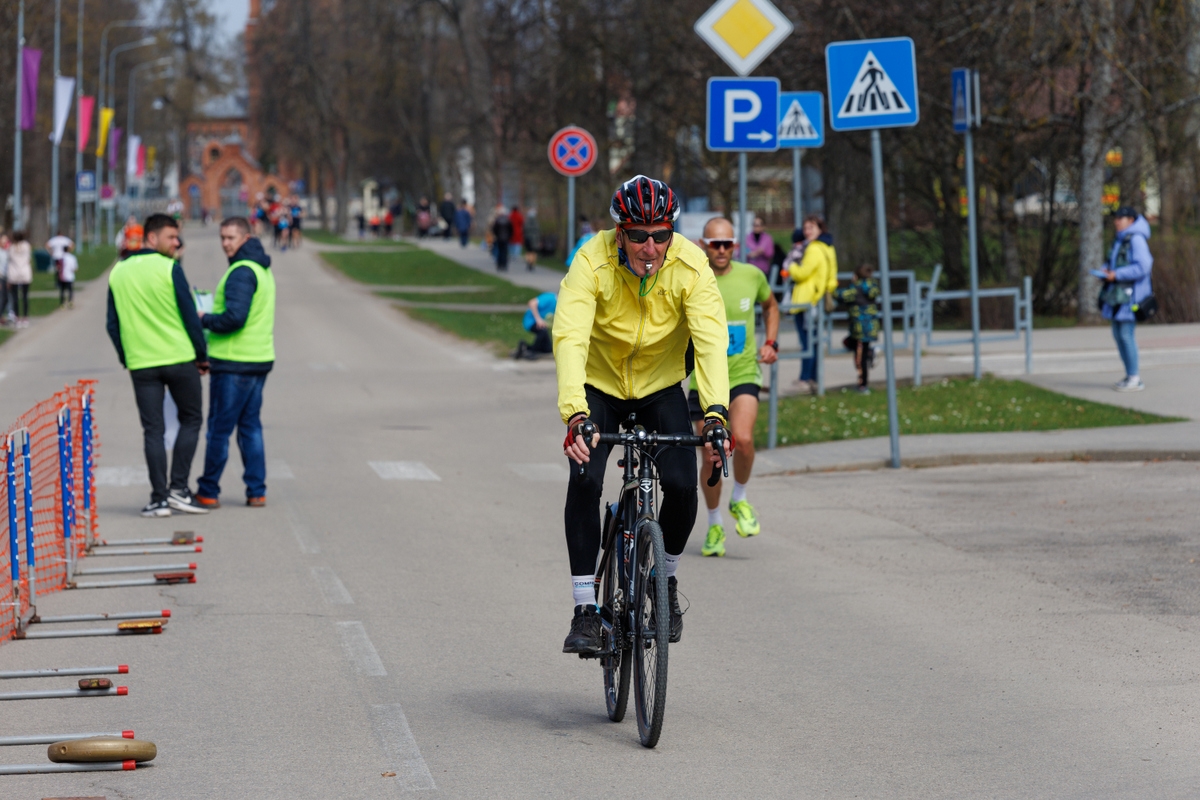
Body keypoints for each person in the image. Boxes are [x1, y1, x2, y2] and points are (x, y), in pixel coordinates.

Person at [556, 175, 732, 654]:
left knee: (680, 484)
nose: (650, 247)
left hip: (660, 387)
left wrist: (716, 413)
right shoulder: (591, 260)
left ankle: (665, 583)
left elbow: (713, 341)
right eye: (638, 235)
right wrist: (575, 413)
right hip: (600, 386)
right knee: (587, 478)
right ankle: (585, 610)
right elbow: (570, 336)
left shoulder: (692, 265)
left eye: (660, 234)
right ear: (620, 233)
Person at [105, 213, 209, 517]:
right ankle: (179, 489)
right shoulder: (170, 268)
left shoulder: (118, 272)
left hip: (142, 364)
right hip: (179, 358)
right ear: (152, 238)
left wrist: (127, 357)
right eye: (171, 237)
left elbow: (112, 324)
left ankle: (159, 498)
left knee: (153, 430)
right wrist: (202, 356)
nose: (177, 243)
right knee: (191, 419)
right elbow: (190, 316)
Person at [690, 217, 779, 557]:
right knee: (712, 457)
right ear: (703, 245)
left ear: (736, 246)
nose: (722, 250)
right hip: (704, 381)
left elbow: (771, 306)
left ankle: (739, 499)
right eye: (716, 244)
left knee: (741, 439)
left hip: (742, 374)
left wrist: (771, 342)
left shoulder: (751, 276)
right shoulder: (694, 279)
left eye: (728, 243)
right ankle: (714, 525)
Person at [194, 217, 276, 509]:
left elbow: (234, 318)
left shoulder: (241, 272)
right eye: (223, 238)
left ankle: (208, 490)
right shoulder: (260, 268)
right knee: (250, 427)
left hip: (234, 362)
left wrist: (204, 319)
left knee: (219, 428)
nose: (225, 243)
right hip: (258, 358)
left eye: (231, 238)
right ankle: (256, 490)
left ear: (246, 237)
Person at [1100, 206, 1154, 392]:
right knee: (1118, 334)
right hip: (1118, 296)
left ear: (1130, 220)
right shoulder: (1120, 239)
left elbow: (1143, 266)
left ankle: (1134, 378)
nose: (1116, 221)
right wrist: (1105, 271)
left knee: (1125, 334)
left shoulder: (1136, 239)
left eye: (1120, 218)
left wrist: (1117, 274)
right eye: (1115, 218)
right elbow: (1112, 262)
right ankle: (1130, 374)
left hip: (1132, 298)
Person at [783, 214, 838, 393]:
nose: (807, 232)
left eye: (811, 228)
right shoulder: (828, 247)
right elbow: (832, 276)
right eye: (806, 228)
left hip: (806, 300)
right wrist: (826, 290)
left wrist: (791, 266)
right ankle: (813, 377)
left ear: (820, 229)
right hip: (817, 299)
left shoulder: (814, 248)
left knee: (807, 342)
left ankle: (805, 378)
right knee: (812, 341)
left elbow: (802, 273)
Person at [833, 264, 881, 394]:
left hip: (859, 330)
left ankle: (862, 385)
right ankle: (871, 353)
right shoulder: (872, 286)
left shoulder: (855, 289)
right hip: (871, 328)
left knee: (860, 359)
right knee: (855, 347)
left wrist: (832, 286)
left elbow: (839, 295)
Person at [515, 292, 555, 360]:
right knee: (542, 331)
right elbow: (532, 303)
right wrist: (538, 319)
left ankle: (525, 347)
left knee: (548, 349)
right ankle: (532, 352)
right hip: (531, 321)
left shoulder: (559, 306)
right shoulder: (551, 298)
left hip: (542, 324)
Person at [7, 232, 32, 328]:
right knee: (25, 296)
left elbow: (9, 261)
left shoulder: (11, 247)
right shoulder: (27, 246)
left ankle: (17, 318)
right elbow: (28, 259)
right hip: (25, 273)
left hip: (14, 274)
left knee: (15, 298)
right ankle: (25, 317)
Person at [492, 206, 512, 271]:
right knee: (505, 252)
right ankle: (504, 265)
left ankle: (499, 265)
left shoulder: (497, 220)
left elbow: (494, 229)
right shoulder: (508, 220)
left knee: (499, 251)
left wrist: (497, 235)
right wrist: (509, 236)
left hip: (499, 238)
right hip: (506, 238)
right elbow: (511, 229)